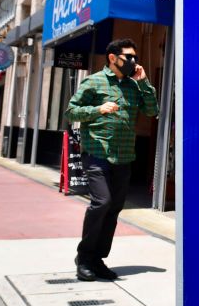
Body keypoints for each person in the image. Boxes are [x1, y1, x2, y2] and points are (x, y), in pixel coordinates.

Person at [65, 38, 159, 281]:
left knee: (114, 208)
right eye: (129, 57)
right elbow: (71, 111)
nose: (133, 61)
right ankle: (84, 257)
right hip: (97, 153)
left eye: (135, 57)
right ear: (112, 57)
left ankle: (97, 259)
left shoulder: (133, 85)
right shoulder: (94, 81)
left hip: (124, 156)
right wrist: (98, 110)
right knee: (102, 202)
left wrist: (144, 82)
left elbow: (152, 110)